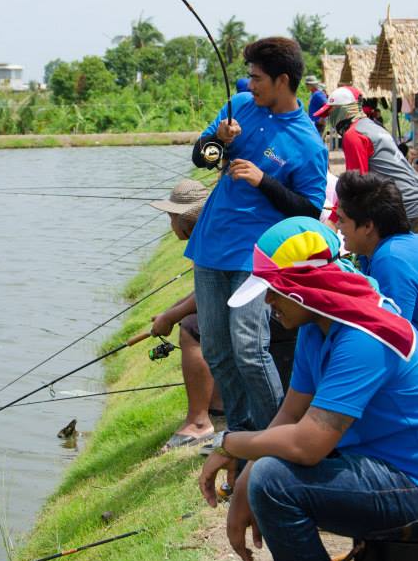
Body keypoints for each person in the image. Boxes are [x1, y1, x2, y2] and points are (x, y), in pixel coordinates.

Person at [198, 216, 418, 561]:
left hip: (407, 483)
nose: (268, 303)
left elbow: (307, 444)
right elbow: (289, 415)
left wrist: (228, 444)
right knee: (264, 477)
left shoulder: (364, 333)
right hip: (374, 467)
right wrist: (245, 482)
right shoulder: (319, 326)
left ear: (304, 287)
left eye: (273, 291)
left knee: (275, 482)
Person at [187, 37, 328, 433]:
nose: (250, 85)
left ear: (282, 80)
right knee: (216, 351)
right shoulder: (241, 108)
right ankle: (240, 434)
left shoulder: (307, 142)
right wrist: (219, 141)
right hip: (212, 246)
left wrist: (263, 179)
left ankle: (273, 437)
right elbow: (202, 157)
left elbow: (309, 211)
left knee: (249, 349)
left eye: (257, 78)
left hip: (258, 259)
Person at [148, 179, 223, 450]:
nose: (170, 225)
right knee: (191, 319)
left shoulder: (208, 238)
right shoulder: (211, 231)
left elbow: (209, 294)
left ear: (185, 220)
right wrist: (169, 312)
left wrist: (171, 318)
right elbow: (204, 288)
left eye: (171, 217)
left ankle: (199, 423)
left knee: (191, 328)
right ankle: (219, 405)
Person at [315, 85, 418, 229]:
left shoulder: (353, 135)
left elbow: (354, 185)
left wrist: (333, 221)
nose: (330, 120)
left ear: (343, 110)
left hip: (405, 207)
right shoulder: (373, 126)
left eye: (331, 113)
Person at [335, 171, 418, 324]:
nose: (337, 226)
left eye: (341, 219)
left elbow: (392, 332)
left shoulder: (390, 259)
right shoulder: (383, 249)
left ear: (367, 226)